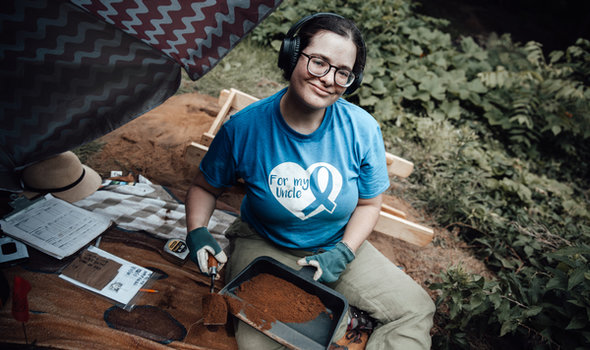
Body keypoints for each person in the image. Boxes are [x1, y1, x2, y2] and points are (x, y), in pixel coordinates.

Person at [185, 12, 435, 350]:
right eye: (318, 62)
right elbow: (204, 187)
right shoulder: (243, 128)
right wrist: (198, 230)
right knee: (259, 343)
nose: (328, 79)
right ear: (292, 56)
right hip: (265, 246)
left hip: (336, 244)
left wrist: (344, 251)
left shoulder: (362, 130)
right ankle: (344, 322)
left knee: (416, 308)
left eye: (342, 72)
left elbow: (369, 203)